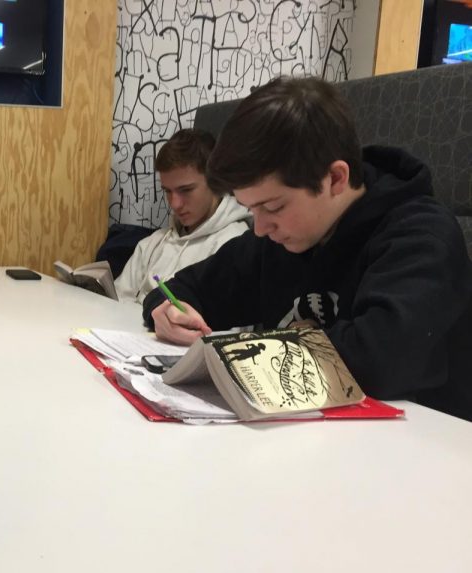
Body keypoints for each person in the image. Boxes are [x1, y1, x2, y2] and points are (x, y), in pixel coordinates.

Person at [143, 76, 472, 421]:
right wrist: (167, 310)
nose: (259, 227)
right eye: (250, 208)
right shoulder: (277, 238)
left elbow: (381, 361)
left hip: (424, 449)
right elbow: (185, 288)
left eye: (272, 208)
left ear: (335, 179)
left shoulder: (421, 236)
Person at [115, 129, 250, 303]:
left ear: (215, 181)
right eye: (168, 191)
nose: (175, 204)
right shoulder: (152, 244)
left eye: (186, 190)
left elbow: (232, 327)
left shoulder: (236, 245)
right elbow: (116, 301)